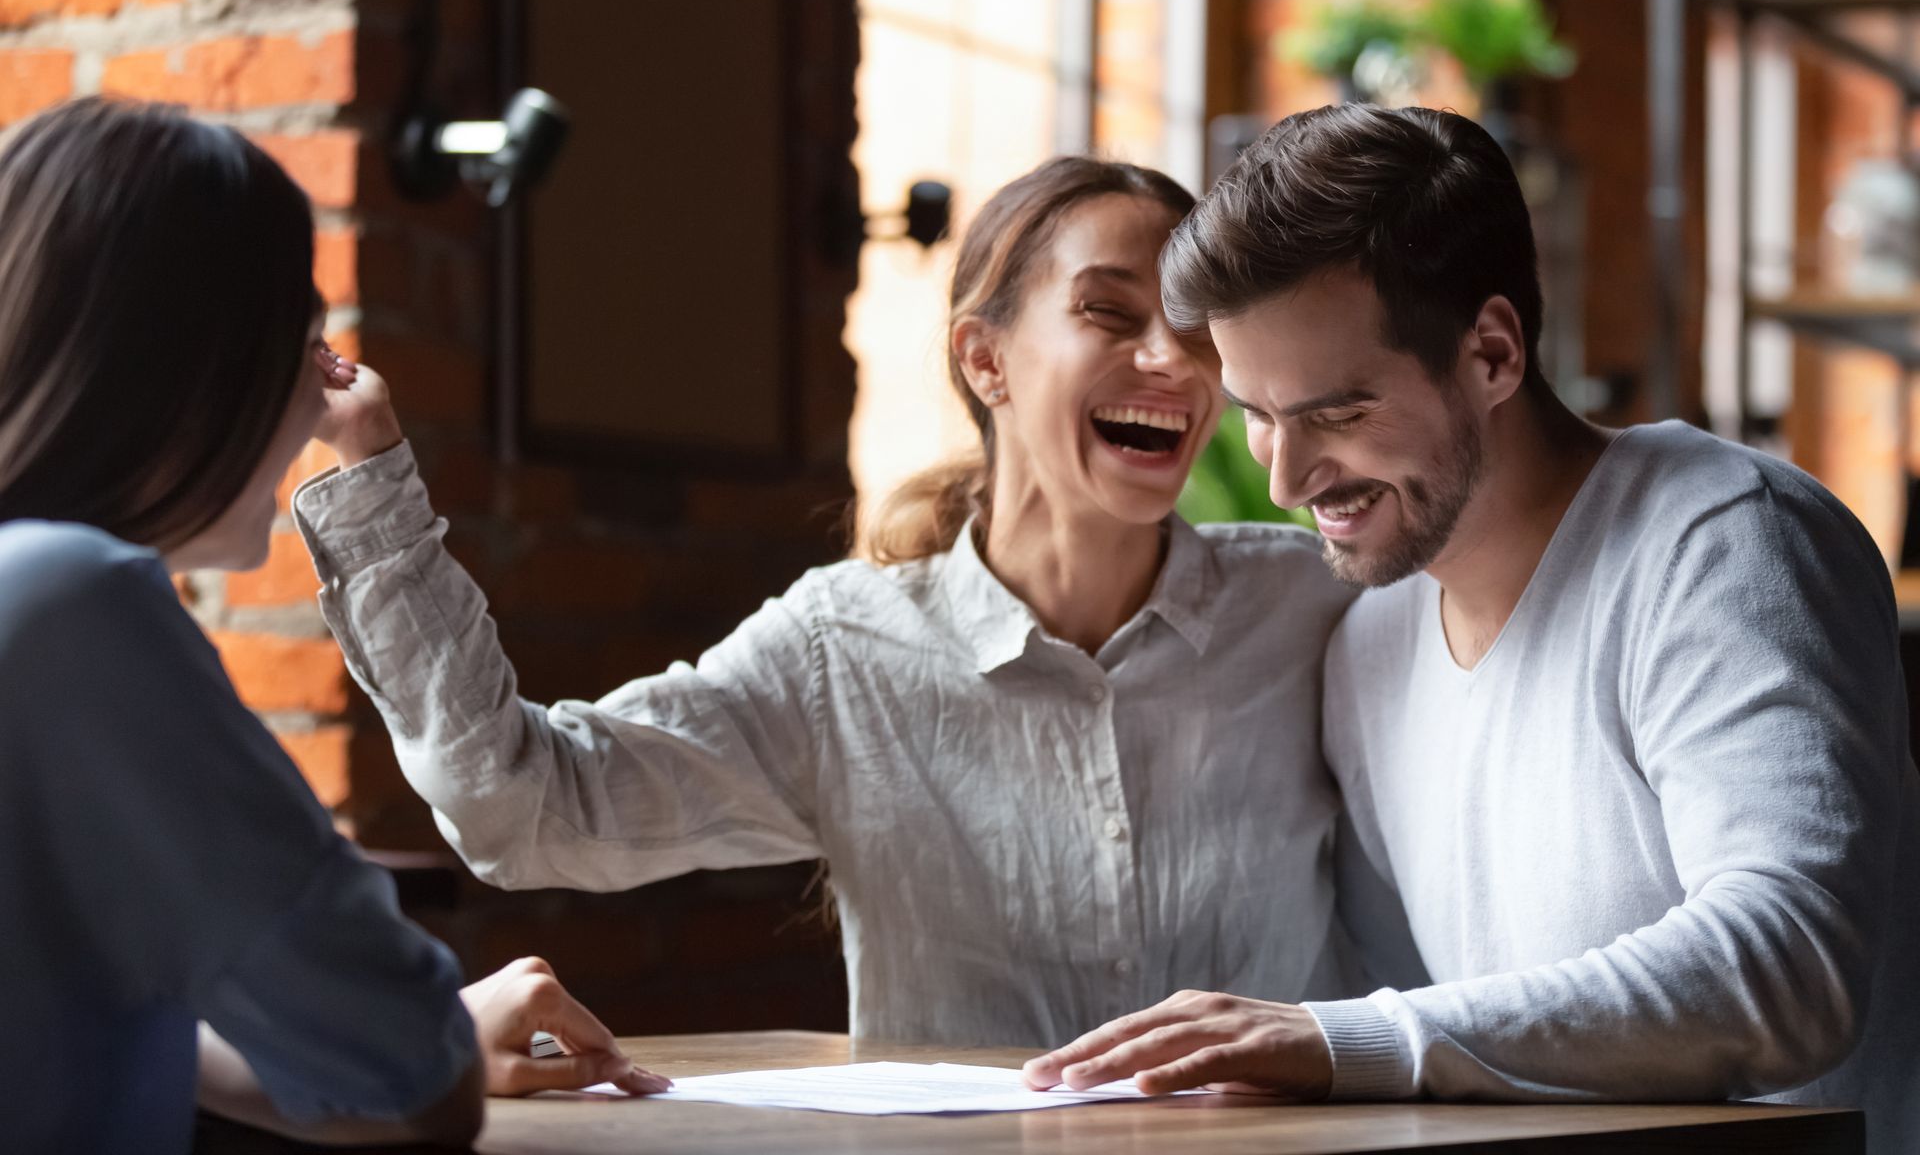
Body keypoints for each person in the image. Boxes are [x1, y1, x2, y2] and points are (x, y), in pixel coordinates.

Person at [297, 155, 1360, 1048]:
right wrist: (370, 475)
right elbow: (521, 809)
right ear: (985, 359)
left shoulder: (1313, 605)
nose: (1172, 360)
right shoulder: (842, 650)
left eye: (1196, 329)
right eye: (1109, 312)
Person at [1022, 103, 1920, 1153]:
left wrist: (1344, 1038)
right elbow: (1447, 1038)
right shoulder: (1367, 650)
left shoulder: (1724, 545)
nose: (1285, 480)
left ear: (1492, 352)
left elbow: (1792, 970)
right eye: (1258, 414)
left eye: (1337, 412)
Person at [0, 97, 667, 1152]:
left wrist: (425, 1045)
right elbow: (418, 1083)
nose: (321, 404)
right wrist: (430, 1039)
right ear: (196, 367)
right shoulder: (71, 598)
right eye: (305, 346)